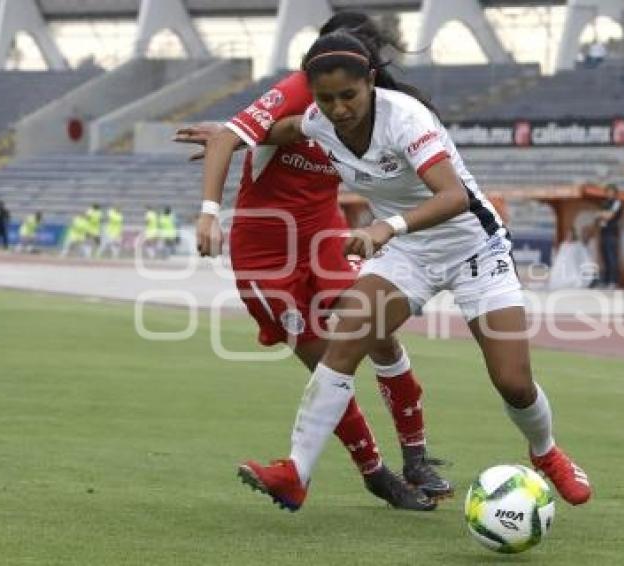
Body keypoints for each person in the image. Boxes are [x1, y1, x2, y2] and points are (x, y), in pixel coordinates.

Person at [208, 30, 592, 512]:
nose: (339, 108)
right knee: (347, 338)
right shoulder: (318, 120)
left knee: (512, 381)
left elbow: (453, 198)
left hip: (473, 245)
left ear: (370, 81)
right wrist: (229, 136)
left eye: (348, 96)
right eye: (327, 99)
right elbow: (281, 130)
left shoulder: (405, 118)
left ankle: (545, 452)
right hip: (408, 252)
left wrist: (384, 228)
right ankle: (296, 473)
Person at [175, 12, 450, 511]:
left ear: (366, 71)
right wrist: (209, 213)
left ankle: (417, 456)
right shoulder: (302, 89)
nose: (334, 95)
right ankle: (374, 471)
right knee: (326, 360)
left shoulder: (382, 108)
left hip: (325, 235)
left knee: (378, 332)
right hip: (266, 253)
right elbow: (235, 136)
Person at [596, 184, 622, 289]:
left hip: (612, 233)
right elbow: (597, 216)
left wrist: (602, 214)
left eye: (611, 191)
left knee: (612, 257)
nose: (609, 193)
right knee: (605, 257)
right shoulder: (604, 203)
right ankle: (606, 280)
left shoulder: (617, 203)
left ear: (615, 193)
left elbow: (610, 216)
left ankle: (613, 281)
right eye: (607, 191)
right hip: (603, 232)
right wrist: (602, 214)